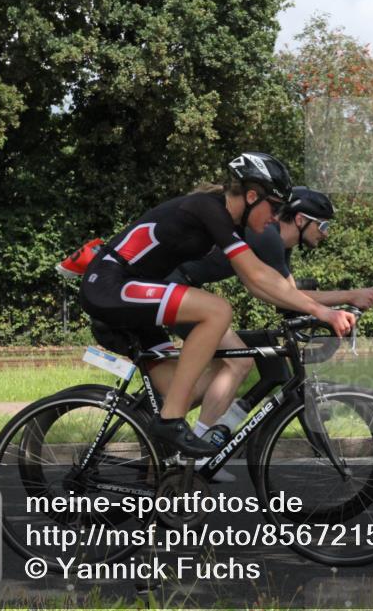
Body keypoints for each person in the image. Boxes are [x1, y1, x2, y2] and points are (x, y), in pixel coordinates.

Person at [76, 152, 355, 457]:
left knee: (186, 388)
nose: (276, 218)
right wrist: (323, 311)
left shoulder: (229, 224)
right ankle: (171, 422)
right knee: (217, 310)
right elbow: (259, 275)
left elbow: (260, 284)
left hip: (135, 301)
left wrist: (321, 309)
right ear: (251, 196)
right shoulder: (209, 209)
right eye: (274, 207)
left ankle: (165, 460)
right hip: (109, 285)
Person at [160, 187, 373, 479]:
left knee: (222, 367)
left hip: (180, 288)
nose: (326, 233)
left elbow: (291, 295)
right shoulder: (267, 235)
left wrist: (340, 304)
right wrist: (349, 296)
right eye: (323, 225)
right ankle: (193, 454)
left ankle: (169, 432)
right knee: (240, 362)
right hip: (172, 287)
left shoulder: (279, 245)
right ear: (301, 219)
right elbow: (283, 294)